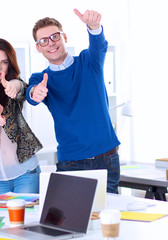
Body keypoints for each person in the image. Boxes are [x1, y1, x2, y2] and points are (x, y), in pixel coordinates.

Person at [26, 9, 121, 193]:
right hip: (71, 162)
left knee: (107, 216)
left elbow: (99, 45)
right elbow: (32, 95)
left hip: (106, 159)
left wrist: (94, 27)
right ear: (38, 47)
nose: (50, 43)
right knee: (71, 219)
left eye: (55, 36)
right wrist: (35, 93)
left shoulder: (88, 61)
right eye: (43, 41)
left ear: (64, 37)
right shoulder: (40, 78)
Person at [0, 38, 43, 199]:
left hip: (26, 173)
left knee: (27, 222)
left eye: (4, 62)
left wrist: (14, 86)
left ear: (10, 64)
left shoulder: (13, 85)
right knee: (0, 223)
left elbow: (21, 87)